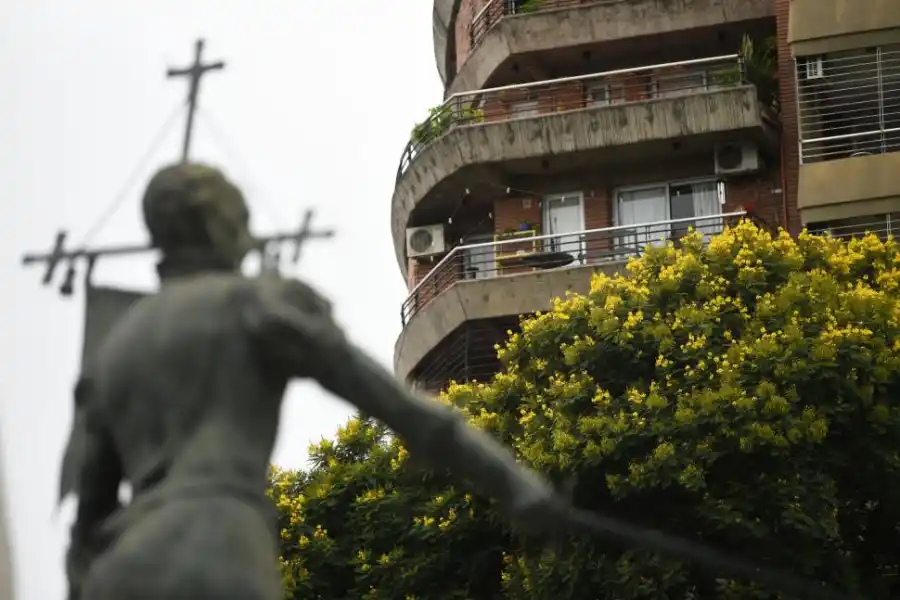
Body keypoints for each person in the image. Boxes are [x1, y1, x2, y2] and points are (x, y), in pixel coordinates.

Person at [58, 163, 570, 600]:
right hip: (216, 543)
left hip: (121, 567)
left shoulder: (113, 347)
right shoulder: (257, 304)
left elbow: (86, 520)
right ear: (217, 225)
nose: (249, 237)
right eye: (242, 221)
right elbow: (403, 410)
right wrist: (514, 483)